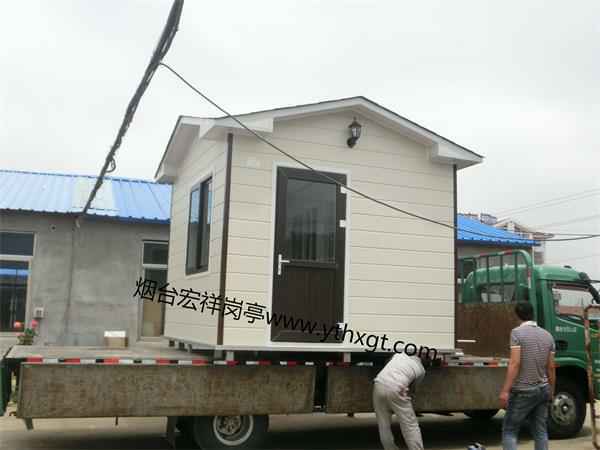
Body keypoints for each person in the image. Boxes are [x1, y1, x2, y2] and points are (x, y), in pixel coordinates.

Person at [499, 301, 556, 450]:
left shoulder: (517, 333)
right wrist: (552, 390)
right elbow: (551, 367)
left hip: (522, 391)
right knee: (540, 431)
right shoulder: (548, 336)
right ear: (532, 314)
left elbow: (515, 363)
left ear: (517, 315)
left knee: (510, 431)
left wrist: (505, 390)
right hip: (543, 389)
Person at [372, 351, 427, 450]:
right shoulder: (421, 370)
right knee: (410, 425)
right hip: (397, 388)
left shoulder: (399, 355)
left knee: (383, 424)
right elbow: (413, 389)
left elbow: (387, 363)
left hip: (379, 384)